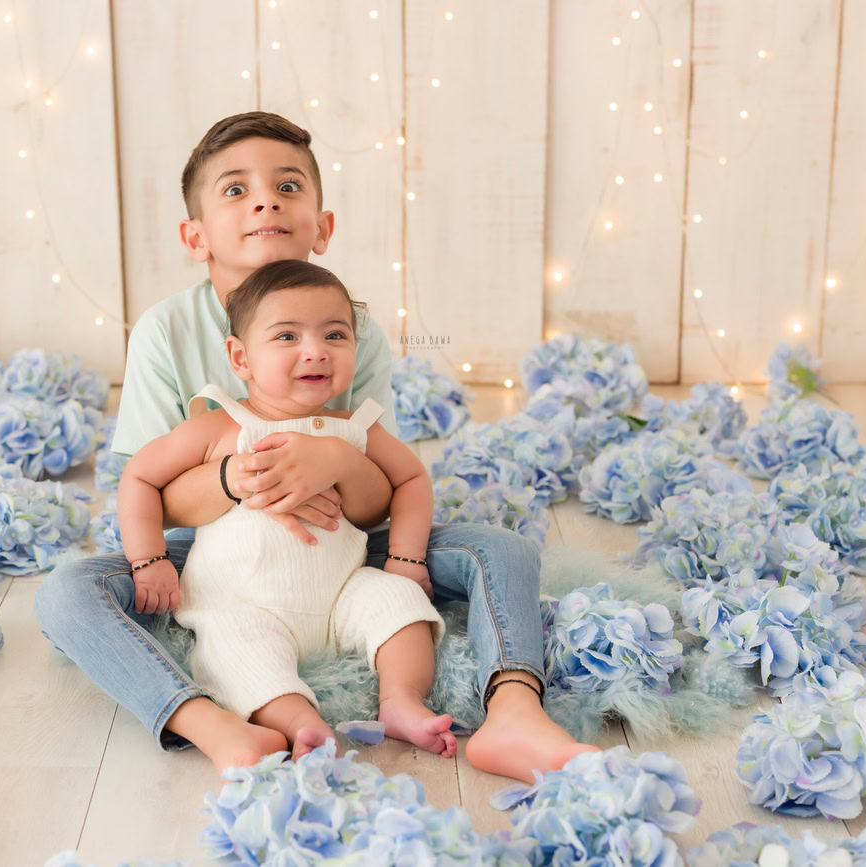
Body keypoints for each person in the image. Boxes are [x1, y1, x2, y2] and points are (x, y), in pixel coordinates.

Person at [34, 110, 598, 778]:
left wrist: (334, 457)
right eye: (236, 190)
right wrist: (236, 482)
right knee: (67, 591)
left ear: (322, 227)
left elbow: (379, 499)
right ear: (196, 235)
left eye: (289, 186)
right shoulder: (166, 330)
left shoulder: (351, 328)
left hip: (340, 541)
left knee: (500, 549)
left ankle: (513, 709)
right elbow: (150, 492)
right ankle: (205, 717)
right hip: (209, 548)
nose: (266, 199)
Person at [118, 259, 455, 760]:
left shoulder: (356, 427)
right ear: (240, 357)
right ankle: (301, 723)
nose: (316, 351)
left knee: (401, 607)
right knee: (235, 650)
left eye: (335, 335)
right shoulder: (219, 425)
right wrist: (149, 559)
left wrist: (406, 559)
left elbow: (410, 479)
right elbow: (140, 477)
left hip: (343, 591)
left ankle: (400, 700)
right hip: (242, 602)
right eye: (287, 337)